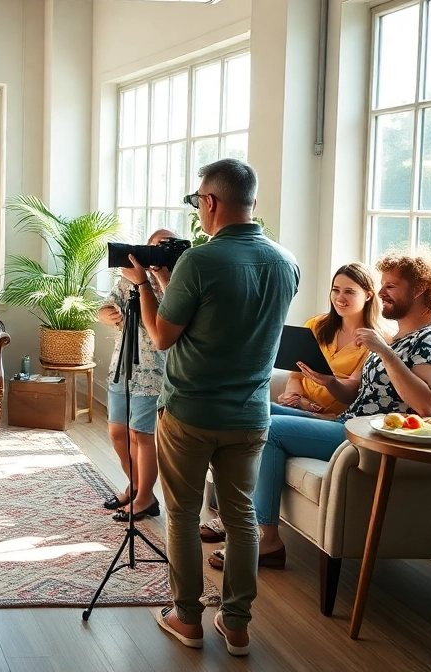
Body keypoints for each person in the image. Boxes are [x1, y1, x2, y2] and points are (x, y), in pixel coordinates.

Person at [121, 158, 298, 657]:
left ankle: (187, 617)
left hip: (191, 412)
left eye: (197, 200)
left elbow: (162, 336)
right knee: (241, 516)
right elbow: (226, 319)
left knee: (182, 515)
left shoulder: (199, 261)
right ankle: (237, 625)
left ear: (210, 201)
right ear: (252, 201)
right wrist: (168, 283)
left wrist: (143, 284)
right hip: (250, 414)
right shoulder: (286, 262)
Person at [199, 263, 386, 569]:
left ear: (368, 295)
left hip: (332, 418)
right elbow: (295, 373)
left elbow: (352, 395)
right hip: (302, 409)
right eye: (336, 290)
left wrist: (321, 390)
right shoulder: (318, 325)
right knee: (241, 410)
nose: (340, 298)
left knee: (266, 428)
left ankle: (261, 533)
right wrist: (295, 396)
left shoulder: (376, 340)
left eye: (349, 292)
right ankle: (234, 515)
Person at [295, 252, 431, 457]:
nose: (380, 293)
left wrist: (384, 351)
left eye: (390, 286)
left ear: (419, 288)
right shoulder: (398, 339)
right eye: (382, 285)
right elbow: (356, 393)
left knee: (271, 428)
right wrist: (329, 382)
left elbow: (427, 405)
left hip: (373, 439)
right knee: (260, 414)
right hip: (349, 425)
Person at [97, 229, 176, 523]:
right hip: (122, 366)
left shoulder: (177, 284)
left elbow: (172, 318)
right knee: (117, 432)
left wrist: (153, 280)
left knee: (140, 434)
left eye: (164, 247)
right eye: (153, 246)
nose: (157, 252)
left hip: (152, 370)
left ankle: (144, 498)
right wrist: (107, 315)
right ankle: (136, 486)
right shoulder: (129, 278)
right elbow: (106, 307)